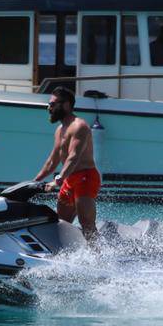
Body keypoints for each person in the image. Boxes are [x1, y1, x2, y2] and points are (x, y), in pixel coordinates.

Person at [32, 86, 100, 240]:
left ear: (67, 105)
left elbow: (73, 157)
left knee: (87, 225)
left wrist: (58, 179)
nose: (49, 108)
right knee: (62, 224)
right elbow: (52, 161)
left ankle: (98, 259)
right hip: (69, 179)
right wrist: (34, 181)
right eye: (49, 104)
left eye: (53, 104)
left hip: (86, 178)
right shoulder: (59, 130)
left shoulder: (79, 126)